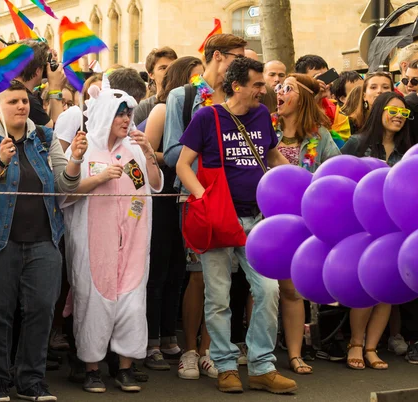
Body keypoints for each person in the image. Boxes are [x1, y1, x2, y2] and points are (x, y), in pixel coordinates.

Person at [0, 80, 85, 402]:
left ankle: (32, 381)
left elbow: (63, 186)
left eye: (25, 101)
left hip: (44, 241)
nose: (21, 106)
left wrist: (75, 160)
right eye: (13, 101)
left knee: (41, 310)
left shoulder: (44, 136)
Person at [175, 57, 297, 394]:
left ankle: (261, 366)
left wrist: (295, 180)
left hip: (256, 219)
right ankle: (226, 365)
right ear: (237, 86)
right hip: (219, 220)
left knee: (268, 290)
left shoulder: (260, 115)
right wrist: (202, 197)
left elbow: (270, 155)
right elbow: (184, 164)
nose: (265, 90)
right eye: (258, 84)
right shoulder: (206, 117)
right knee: (218, 297)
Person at [62, 77, 163, 394]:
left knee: (132, 302)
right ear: (105, 115)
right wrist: (97, 175)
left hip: (132, 242)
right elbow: (67, 194)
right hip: (95, 242)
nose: (125, 120)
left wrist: (147, 153)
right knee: (93, 300)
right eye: (119, 114)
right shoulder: (85, 148)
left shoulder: (133, 148)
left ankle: (125, 367)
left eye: (128, 114)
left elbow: (155, 185)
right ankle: (91, 367)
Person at [162, 33, 247, 380]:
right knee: (197, 277)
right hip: (198, 197)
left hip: (234, 200)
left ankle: (213, 350)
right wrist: (201, 159)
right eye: (236, 59)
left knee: (223, 279)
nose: (242, 66)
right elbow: (171, 154)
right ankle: (190, 351)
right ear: (216, 57)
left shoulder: (240, 97)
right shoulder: (182, 97)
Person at [143, 56, 207, 373]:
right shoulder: (165, 108)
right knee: (159, 268)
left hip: (185, 193)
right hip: (163, 193)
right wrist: (186, 153)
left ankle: (169, 334)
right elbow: (151, 151)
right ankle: (152, 339)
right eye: (197, 78)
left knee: (177, 271)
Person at [341, 92, 413, 371]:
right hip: (362, 226)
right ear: (379, 110)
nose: (398, 116)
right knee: (366, 287)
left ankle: (372, 347)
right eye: (393, 111)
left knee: (384, 288)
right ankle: (356, 344)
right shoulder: (357, 143)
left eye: (404, 113)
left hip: (396, 229)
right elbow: (336, 177)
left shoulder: (407, 152)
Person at [273, 74, 341, 374]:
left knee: (292, 291)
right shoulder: (265, 128)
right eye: (279, 88)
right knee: (259, 289)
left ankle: (296, 354)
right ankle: (259, 350)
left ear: (301, 97)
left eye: (287, 88)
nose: (280, 92)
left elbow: (335, 173)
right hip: (266, 218)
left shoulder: (319, 136)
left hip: (302, 222)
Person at [15, 39, 66, 127]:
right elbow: (56, 133)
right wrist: (55, 89)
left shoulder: (5, 90)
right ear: (38, 70)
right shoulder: (26, 99)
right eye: (45, 66)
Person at [56, 73, 102, 151]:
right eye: (93, 92)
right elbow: (59, 153)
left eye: (102, 92)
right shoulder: (75, 114)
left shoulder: (115, 119)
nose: (98, 95)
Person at [133, 47, 178, 126]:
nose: (169, 71)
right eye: (163, 68)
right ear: (151, 74)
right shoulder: (143, 108)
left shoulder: (186, 102)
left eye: (173, 67)